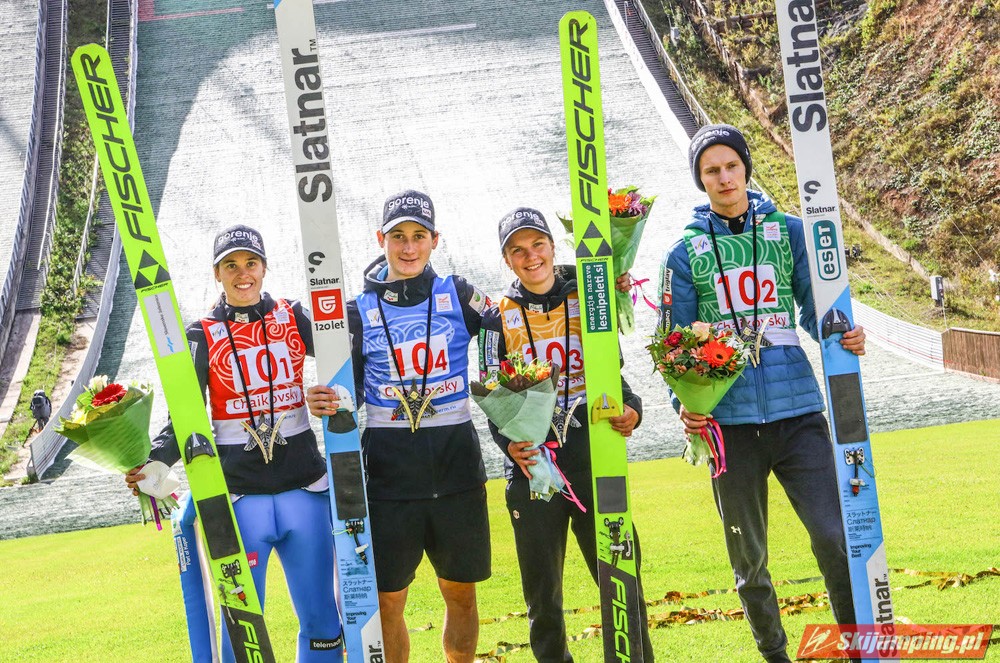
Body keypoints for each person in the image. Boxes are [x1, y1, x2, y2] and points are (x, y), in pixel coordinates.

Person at [658, 124, 865, 663]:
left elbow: (816, 310)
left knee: (835, 537)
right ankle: (774, 654)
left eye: (732, 165)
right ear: (700, 180)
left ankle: (858, 649)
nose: (724, 178)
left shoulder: (789, 232)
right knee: (748, 559)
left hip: (798, 413)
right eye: (711, 170)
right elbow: (672, 345)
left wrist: (845, 333)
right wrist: (685, 404)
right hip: (729, 426)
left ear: (745, 168)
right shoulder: (683, 253)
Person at [126, 224, 343, 662]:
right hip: (240, 502)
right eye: (231, 265)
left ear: (264, 268)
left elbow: (347, 356)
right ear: (217, 273)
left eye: (250, 263)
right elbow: (184, 415)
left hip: (306, 491)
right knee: (242, 632)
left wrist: (332, 395)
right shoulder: (200, 334)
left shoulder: (293, 315)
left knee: (322, 622)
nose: (242, 273)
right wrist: (151, 461)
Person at [307, 189, 491, 663]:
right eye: (398, 237)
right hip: (390, 478)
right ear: (380, 239)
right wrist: (323, 397)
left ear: (434, 240)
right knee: (388, 599)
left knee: (461, 593)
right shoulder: (356, 310)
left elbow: (515, 323)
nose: (409, 247)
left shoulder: (460, 294)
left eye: (419, 236)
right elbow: (342, 391)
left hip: (456, 470)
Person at [479, 207, 654, 662]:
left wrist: (633, 408)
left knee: (623, 581)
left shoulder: (588, 295)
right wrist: (508, 445)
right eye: (517, 250)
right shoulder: (495, 317)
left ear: (553, 246)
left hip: (595, 458)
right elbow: (490, 392)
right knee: (543, 600)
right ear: (506, 259)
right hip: (533, 467)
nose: (530, 256)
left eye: (537, 244)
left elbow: (611, 372)